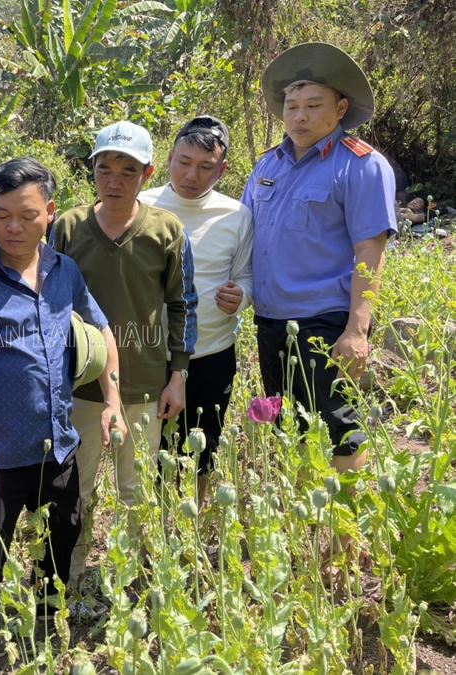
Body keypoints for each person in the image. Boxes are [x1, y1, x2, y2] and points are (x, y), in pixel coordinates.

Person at [0, 157, 124, 668]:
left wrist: (112, 400)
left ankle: (48, 624)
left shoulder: (66, 272)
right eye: (0, 215)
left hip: (58, 445)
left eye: (25, 215)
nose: (12, 228)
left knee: (61, 542)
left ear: (50, 213)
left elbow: (103, 331)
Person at [50, 121, 198, 582]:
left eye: (127, 171)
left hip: (144, 385)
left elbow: (182, 305)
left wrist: (178, 375)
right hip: (81, 388)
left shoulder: (166, 231)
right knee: (77, 488)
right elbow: (48, 304)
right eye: (105, 169)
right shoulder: (67, 228)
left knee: (135, 488)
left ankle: (132, 578)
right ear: (91, 170)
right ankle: (67, 576)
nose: (114, 180)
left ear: (148, 173)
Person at [240, 42, 397, 474]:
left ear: (340, 107)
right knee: (288, 426)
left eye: (313, 105)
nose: (300, 116)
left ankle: (344, 532)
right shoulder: (266, 166)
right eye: (292, 106)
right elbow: (244, 234)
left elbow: (370, 250)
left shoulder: (360, 165)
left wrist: (356, 330)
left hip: (325, 322)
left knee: (337, 427)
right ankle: (309, 526)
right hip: (271, 321)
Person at [140, 115, 253, 504]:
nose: (192, 175)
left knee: (203, 446)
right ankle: (155, 529)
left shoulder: (236, 215)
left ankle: (196, 521)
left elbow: (247, 275)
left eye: (206, 167)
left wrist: (243, 295)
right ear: (169, 157)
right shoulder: (142, 204)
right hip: (152, 354)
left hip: (212, 352)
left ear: (222, 169)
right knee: (152, 452)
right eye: (184, 162)